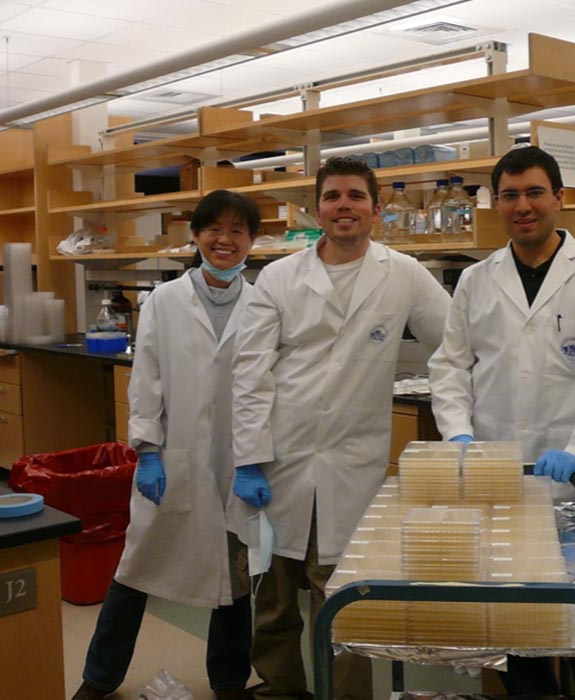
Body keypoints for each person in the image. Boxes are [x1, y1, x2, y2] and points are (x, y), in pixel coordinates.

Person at [227, 156, 450, 700]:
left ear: (375, 209)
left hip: (353, 464)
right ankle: (282, 688)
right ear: (318, 209)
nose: (343, 205)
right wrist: (250, 455)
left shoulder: (404, 274)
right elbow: (250, 369)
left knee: (345, 598)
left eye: (354, 196)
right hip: (280, 459)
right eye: (332, 196)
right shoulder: (279, 277)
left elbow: (457, 342)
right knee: (275, 596)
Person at [428, 145, 575, 697]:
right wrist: (460, 436)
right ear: (496, 204)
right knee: (520, 621)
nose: (523, 205)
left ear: (558, 199)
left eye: (535, 193)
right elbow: (449, 366)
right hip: (502, 477)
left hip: (573, 475)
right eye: (510, 195)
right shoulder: (476, 279)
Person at [72, 190, 262, 700]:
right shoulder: (164, 300)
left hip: (237, 462)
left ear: (252, 241)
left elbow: (265, 387)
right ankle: (99, 678)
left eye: (238, 230)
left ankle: (229, 682)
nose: (225, 240)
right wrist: (148, 451)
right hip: (171, 459)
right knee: (136, 568)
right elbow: (147, 378)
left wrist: (256, 459)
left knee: (234, 577)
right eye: (214, 229)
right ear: (195, 235)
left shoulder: (263, 302)